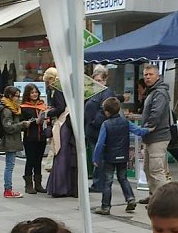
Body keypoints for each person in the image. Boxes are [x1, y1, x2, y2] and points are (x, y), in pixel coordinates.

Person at [92, 96, 148, 216]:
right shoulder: (125, 122)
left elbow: (100, 143)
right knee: (123, 178)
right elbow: (138, 131)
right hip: (123, 155)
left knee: (107, 182)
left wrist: (95, 158)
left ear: (107, 112)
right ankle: (130, 198)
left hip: (109, 157)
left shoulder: (106, 124)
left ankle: (105, 207)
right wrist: (150, 129)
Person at [139, 64, 171, 203]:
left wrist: (145, 128)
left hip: (158, 137)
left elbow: (155, 114)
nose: (147, 77)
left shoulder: (160, 93)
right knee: (147, 169)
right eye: (145, 75)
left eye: (150, 74)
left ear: (158, 76)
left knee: (156, 170)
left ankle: (163, 201)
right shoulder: (152, 91)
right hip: (150, 138)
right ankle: (154, 196)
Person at [44, 67, 78, 198]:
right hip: (68, 122)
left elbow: (60, 108)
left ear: (51, 78)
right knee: (66, 154)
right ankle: (67, 187)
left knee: (60, 153)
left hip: (63, 122)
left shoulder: (58, 89)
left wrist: (48, 112)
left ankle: (60, 187)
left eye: (47, 81)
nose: (47, 83)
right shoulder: (66, 88)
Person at [84, 64, 115, 194]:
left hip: (99, 130)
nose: (97, 83)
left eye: (100, 80)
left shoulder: (106, 92)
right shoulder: (93, 92)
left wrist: (94, 123)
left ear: (105, 80)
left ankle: (99, 184)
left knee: (100, 158)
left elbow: (104, 111)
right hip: (92, 131)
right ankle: (98, 182)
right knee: (97, 157)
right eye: (95, 80)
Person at [0, 85, 33, 199]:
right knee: (9, 166)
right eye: (17, 96)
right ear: (10, 96)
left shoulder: (13, 108)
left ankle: (8, 189)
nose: (18, 98)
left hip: (12, 140)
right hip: (10, 140)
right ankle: (8, 189)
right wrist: (22, 124)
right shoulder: (7, 110)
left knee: (10, 165)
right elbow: (8, 127)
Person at [20, 83, 47, 194]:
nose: (34, 94)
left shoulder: (42, 105)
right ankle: (28, 185)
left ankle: (38, 184)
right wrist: (34, 121)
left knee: (38, 161)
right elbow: (21, 123)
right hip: (30, 138)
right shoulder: (23, 107)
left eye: (36, 92)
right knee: (30, 160)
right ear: (28, 94)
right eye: (32, 93)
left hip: (41, 138)